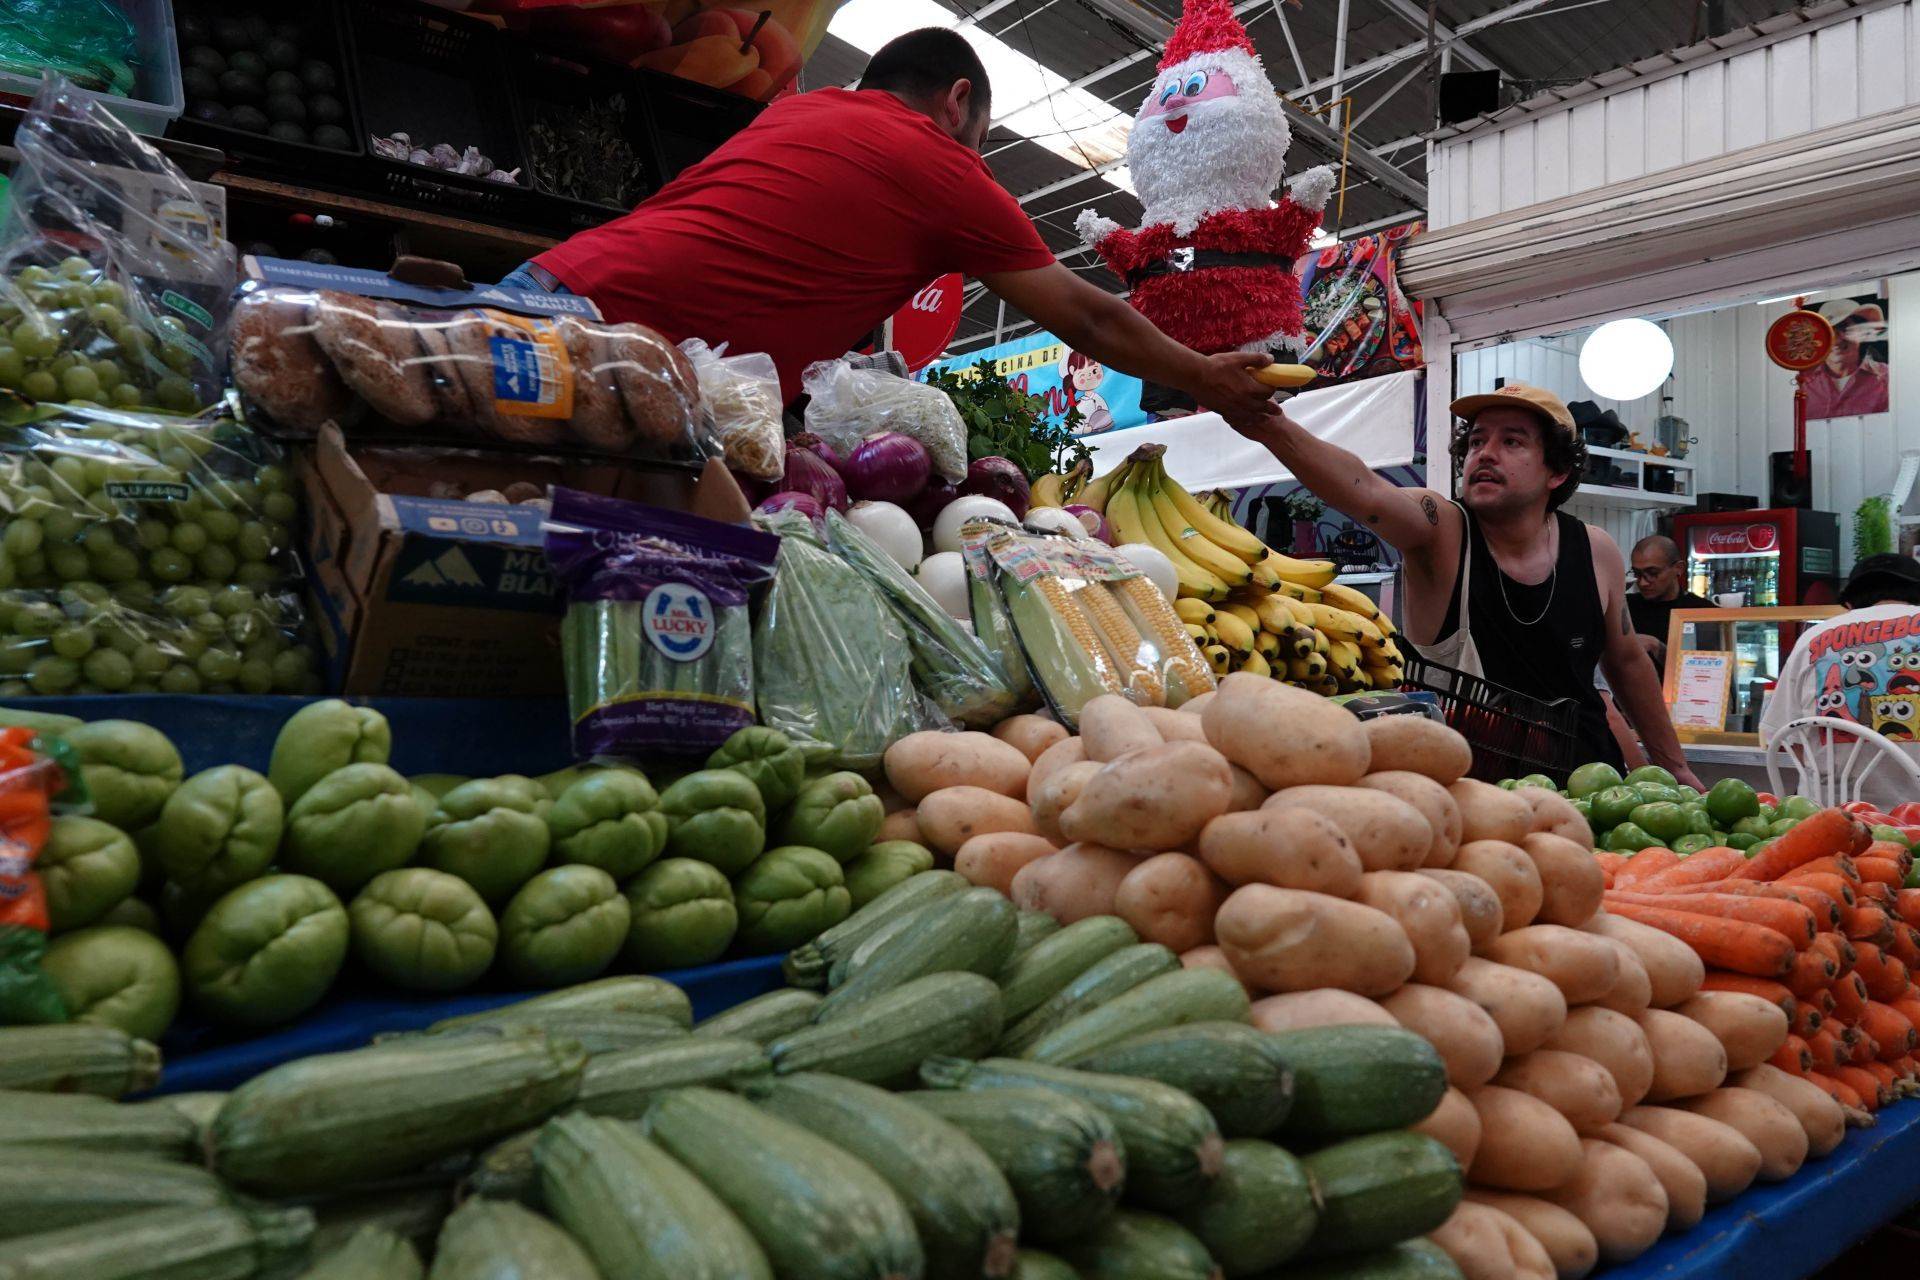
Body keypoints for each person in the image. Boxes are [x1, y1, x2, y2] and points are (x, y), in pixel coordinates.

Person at [497, 28, 1279, 430]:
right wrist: (1205, 374)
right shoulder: (942, 167)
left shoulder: (797, 111)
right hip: (610, 355)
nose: (977, 157)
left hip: (542, 294)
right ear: (956, 101)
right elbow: (1086, 313)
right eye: (981, 133)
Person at [1232, 381, 1703, 788]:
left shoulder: (1595, 550)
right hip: (1472, 792)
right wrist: (1267, 422)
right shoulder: (1441, 532)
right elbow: (1367, 491)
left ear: (1556, 472)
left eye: (1512, 442)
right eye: (1477, 441)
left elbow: (1625, 662)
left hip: (1591, 782)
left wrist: (1674, 767)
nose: (1486, 454)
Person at [1761, 554, 1920, 809]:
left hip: (1830, 821)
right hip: (1914, 822)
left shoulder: (1812, 637)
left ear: (1849, 602)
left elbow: (1783, 738)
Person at [1627, 534, 1716, 669]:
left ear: (1678, 568)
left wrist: (1657, 647)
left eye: (1652, 573)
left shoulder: (1702, 612)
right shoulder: (1625, 607)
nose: (1643, 582)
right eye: (1637, 574)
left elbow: (1708, 671)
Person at [1804, 299, 1890, 420]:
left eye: (1844, 328)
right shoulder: (1802, 384)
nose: (1836, 340)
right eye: (1827, 332)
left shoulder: (1888, 378)